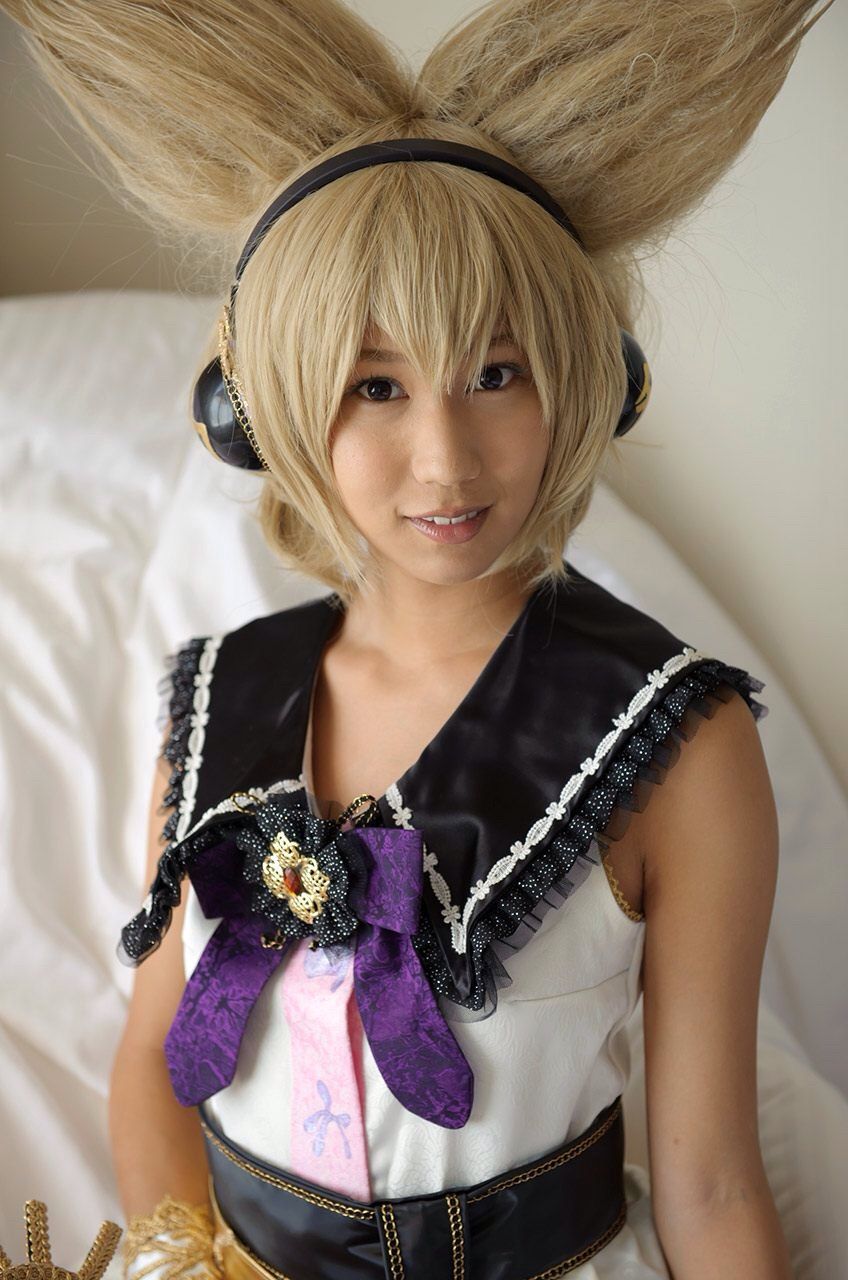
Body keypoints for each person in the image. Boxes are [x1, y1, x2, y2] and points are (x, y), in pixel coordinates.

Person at [3, 1, 839, 1276]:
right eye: (375, 385)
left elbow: (713, 1178)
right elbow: (151, 1064)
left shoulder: (680, 743)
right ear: (265, 412)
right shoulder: (219, 699)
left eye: (495, 373)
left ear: (587, 379)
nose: (443, 459)